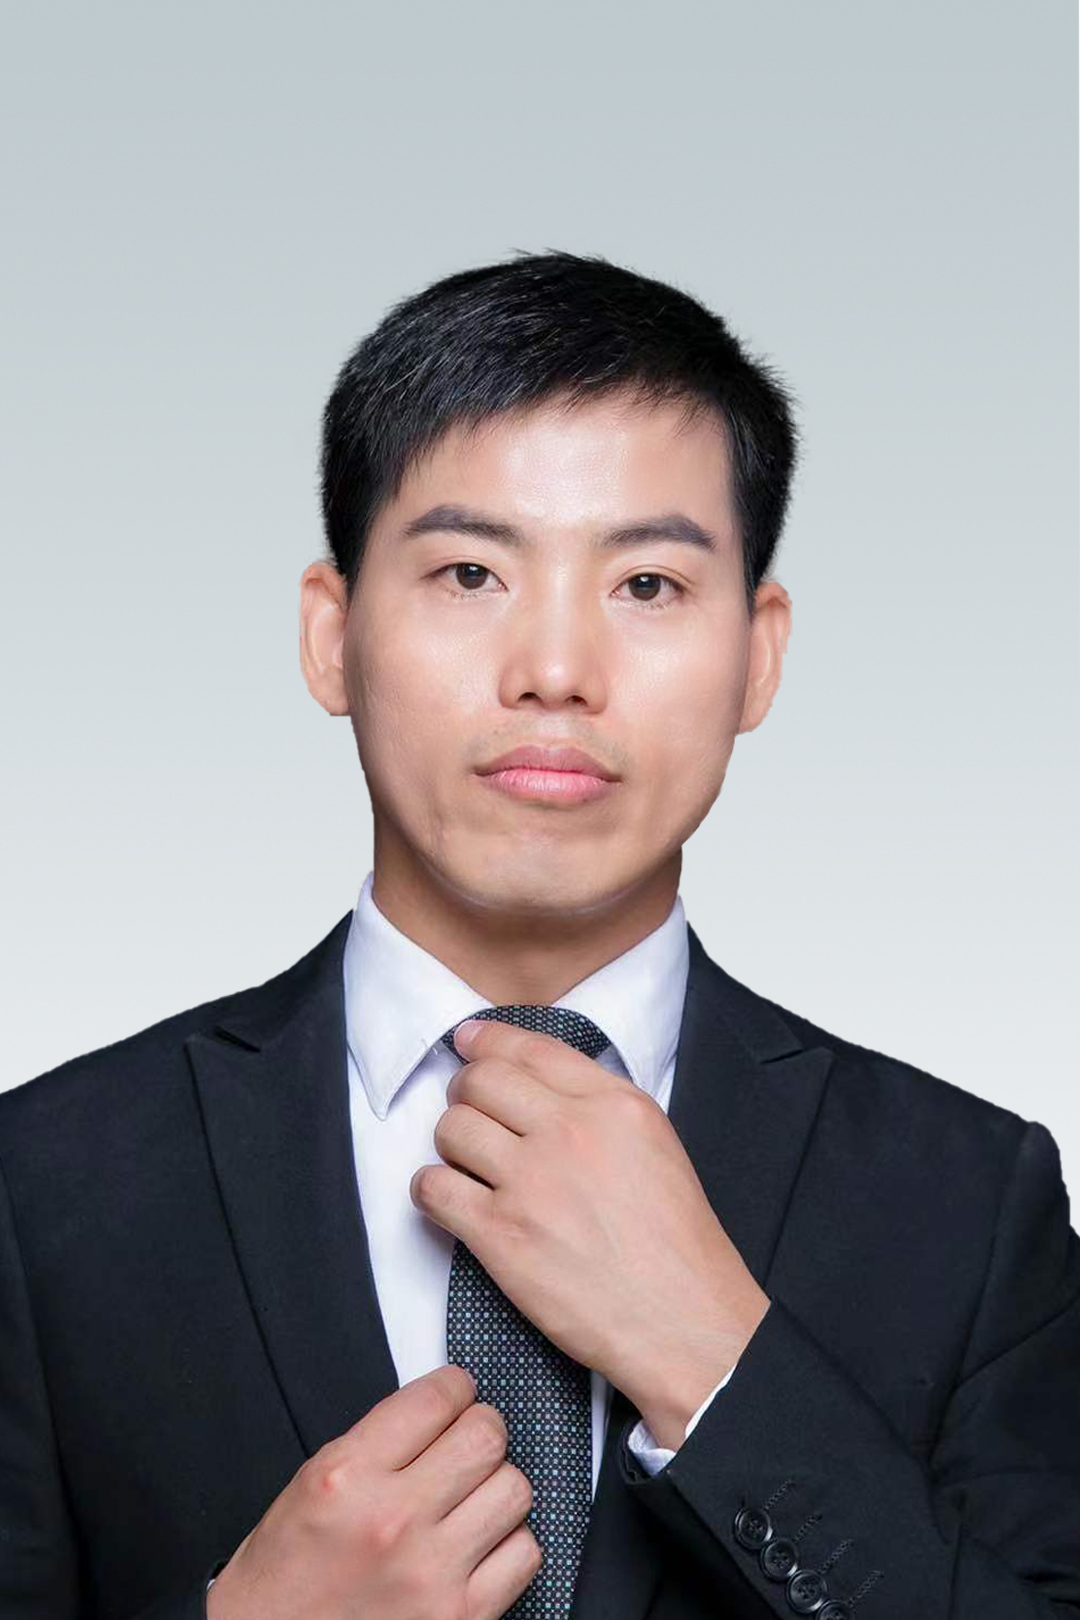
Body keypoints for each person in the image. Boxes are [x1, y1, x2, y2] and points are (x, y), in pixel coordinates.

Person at [2, 250, 1077, 1620]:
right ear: (332, 636)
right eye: (470, 572)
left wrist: (715, 1361)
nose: (557, 670)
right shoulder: (45, 1187)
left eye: (648, 586)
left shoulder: (969, 1203)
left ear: (759, 653)